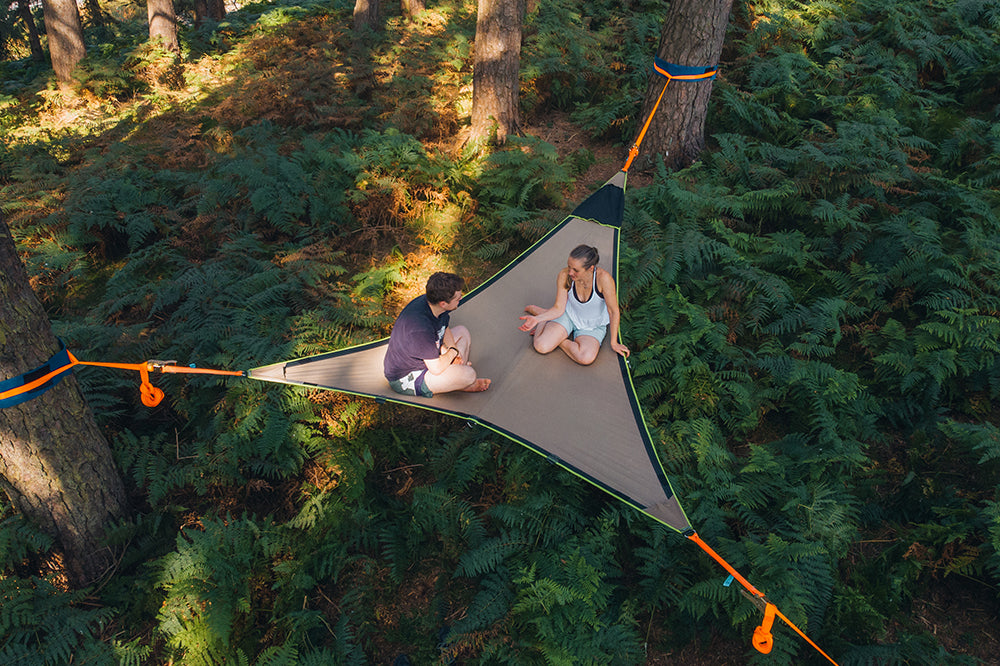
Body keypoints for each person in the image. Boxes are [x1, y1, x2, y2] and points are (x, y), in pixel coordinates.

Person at [518, 244, 629, 365]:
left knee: (585, 358)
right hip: (568, 315)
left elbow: (613, 311)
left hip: (592, 326)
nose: (570, 272)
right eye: (569, 266)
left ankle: (552, 326)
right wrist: (536, 319)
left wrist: (614, 342)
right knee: (541, 346)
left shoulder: (604, 279)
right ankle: (543, 319)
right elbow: (559, 308)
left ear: (591, 268)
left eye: (576, 270)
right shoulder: (565, 275)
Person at [384, 272, 491, 397]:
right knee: (469, 374)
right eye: (457, 298)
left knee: (462, 331)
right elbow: (436, 369)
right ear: (443, 303)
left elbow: (444, 328)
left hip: (428, 356)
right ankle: (463, 381)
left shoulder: (434, 304)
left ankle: (456, 374)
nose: (461, 299)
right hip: (410, 375)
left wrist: (452, 351)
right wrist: (452, 353)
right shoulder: (419, 328)